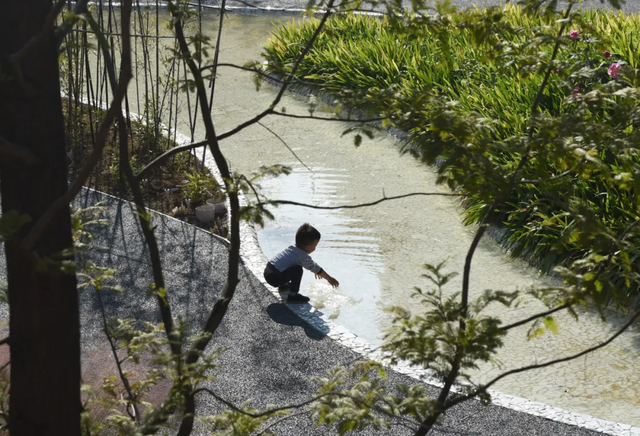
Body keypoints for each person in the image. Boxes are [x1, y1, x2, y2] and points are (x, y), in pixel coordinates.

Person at [263, 223, 340, 303]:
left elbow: (313, 267)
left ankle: (283, 285)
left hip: (268, 271)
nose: (315, 248)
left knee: (293, 266)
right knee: (298, 270)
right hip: (274, 278)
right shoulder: (302, 256)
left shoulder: (293, 248)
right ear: (307, 247)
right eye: (315, 245)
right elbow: (315, 268)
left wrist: (315, 270)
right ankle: (293, 296)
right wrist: (330, 279)